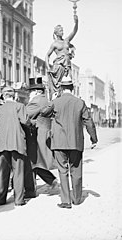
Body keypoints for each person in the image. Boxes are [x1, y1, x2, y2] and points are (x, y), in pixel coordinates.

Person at [41, 76, 98, 209]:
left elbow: (44, 113)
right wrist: (93, 139)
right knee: (76, 170)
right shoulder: (80, 103)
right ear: (72, 88)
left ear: (61, 88)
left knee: (62, 170)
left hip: (59, 142)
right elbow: (88, 122)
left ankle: (66, 201)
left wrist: (53, 100)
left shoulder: (56, 101)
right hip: (75, 142)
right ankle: (77, 199)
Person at [0, 86, 30, 206]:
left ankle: (0, 199)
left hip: (3, 145)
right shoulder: (20, 107)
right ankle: (19, 200)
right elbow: (25, 122)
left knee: (2, 172)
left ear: (3, 96)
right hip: (17, 144)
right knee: (18, 172)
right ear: (15, 96)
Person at [24, 77, 59, 199]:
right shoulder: (44, 99)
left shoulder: (36, 101)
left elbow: (24, 115)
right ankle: (50, 181)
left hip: (37, 135)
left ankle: (31, 190)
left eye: (31, 91)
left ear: (37, 91)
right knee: (36, 162)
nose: (29, 94)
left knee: (32, 162)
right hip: (43, 134)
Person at [45, 15, 78, 99]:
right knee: (58, 87)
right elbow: (47, 55)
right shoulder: (54, 44)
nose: (62, 32)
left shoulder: (66, 41)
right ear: (56, 33)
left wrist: (76, 22)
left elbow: (74, 32)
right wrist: (48, 67)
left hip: (67, 66)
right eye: (60, 31)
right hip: (58, 66)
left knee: (68, 83)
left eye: (62, 30)